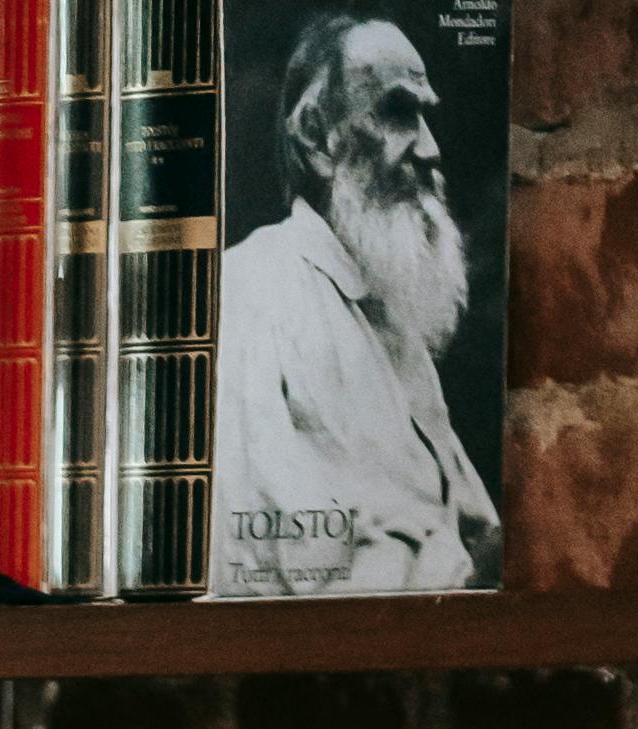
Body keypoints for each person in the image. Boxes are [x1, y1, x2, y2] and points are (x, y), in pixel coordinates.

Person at [213, 10, 499, 599]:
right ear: (318, 137)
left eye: (427, 116)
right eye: (397, 112)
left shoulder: (393, 326)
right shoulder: (256, 290)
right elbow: (277, 562)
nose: (430, 149)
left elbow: (473, 533)